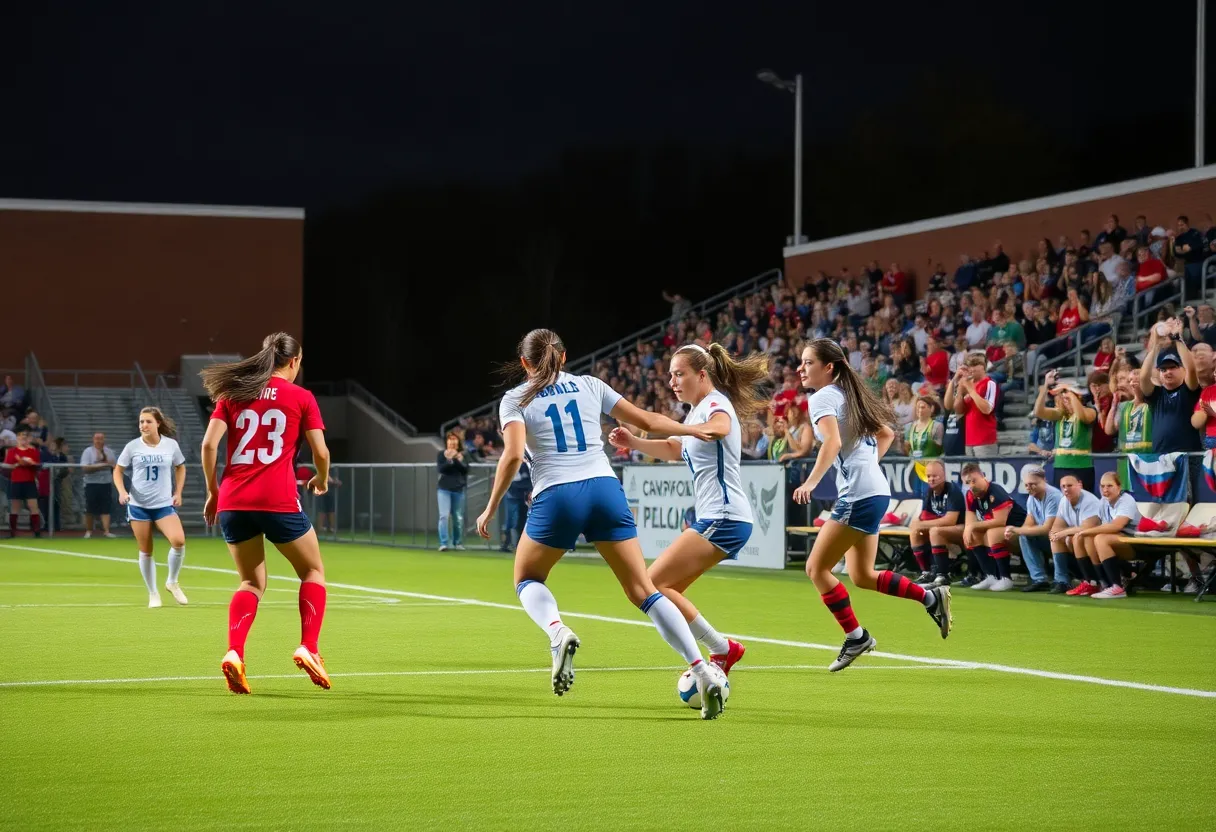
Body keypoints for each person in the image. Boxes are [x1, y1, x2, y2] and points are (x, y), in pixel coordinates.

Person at [474, 329, 727, 719]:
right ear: (563, 356)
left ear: (524, 362)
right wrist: (691, 428)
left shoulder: (515, 398)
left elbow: (510, 457)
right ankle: (703, 669)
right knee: (643, 588)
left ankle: (558, 631)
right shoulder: (590, 385)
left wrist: (489, 508)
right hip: (605, 489)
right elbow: (647, 420)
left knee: (527, 578)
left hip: (557, 493)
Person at [610, 342, 769, 678]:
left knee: (651, 584)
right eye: (670, 375)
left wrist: (693, 429)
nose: (673, 381)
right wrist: (634, 443)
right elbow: (675, 448)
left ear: (701, 374)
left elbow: (721, 427)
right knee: (666, 591)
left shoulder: (714, 403)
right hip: (719, 517)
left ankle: (722, 650)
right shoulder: (696, 412)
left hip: (725, 516)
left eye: (679, 374)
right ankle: (723, 651)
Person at [791, 339, 952, 673]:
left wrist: (810, 483)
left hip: (859, 495)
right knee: (862, 575)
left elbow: (833, 442)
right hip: (875, 491)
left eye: (807, 363)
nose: (800, 369)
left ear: (828, 367)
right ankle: (931, 597)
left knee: (816, 569)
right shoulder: (850, 394)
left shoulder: (822, 397)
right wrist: (868, 468)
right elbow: (886, 434)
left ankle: (856, 636)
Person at [200, 332, 334, 695]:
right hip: (276, 499)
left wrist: (214, 493)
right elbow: (320, 453)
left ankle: (235, 652)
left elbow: (209, 444)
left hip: (233, 501)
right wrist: (321, 480)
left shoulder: (233, 394)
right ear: (293, 362)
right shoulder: (301, 397)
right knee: (312, 570)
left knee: (251, 583)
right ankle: (309, 646)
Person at [114, 407, 188, 608]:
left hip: (163, 504)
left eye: (147, 421)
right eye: (141, 422)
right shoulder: (132, 447)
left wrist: (178, 492)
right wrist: (122, 491)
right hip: (139, 506)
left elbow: (180, 466)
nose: (143, 425)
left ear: (158, 424)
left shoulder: (170, 445)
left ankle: (172, 581)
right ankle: (153, 593)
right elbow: (118, 471)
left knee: (178, 541)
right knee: (146, 550)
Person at [1073, 472, 1142, 599]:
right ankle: (1101, 583)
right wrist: (1082, 532)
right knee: (1085, 538)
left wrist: (1085, 530)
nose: (1105, 490)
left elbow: (1117, 526)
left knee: (1100, 538)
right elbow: (1099, 524)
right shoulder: (1103, 502)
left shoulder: (1126, 500)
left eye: (1109, 486)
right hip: (1119, 539)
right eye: (1102, 486)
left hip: (1137, 542)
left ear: (1119, 487)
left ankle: (1117, 587)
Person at [960, 462, 1028, 591]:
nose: (972, 485)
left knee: (992, 533)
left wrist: (972, 526)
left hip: (1020, 529)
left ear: (983, 477)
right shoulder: (970, 495)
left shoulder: (995, 492)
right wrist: (969, 528)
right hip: (1004, 529)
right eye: (968, 483)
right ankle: (990, 576)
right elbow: (970, 517)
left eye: (974, 481)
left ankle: (1005, 578)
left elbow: (1000, 521)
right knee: (973, 535)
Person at [1139, 319, 1201, 455]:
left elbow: (1191, 369)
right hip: (1160, 457)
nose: (1168, 372)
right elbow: (1143, 377)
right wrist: (1155, 347)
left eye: (1173, 367)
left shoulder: (1189, 390)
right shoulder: (1156, 395)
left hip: (1188, 456)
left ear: (1181, 369)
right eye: (1163, 369)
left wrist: (1177, 339)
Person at [1004, 467, 1068, 594]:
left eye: (1033, 484)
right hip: (1051, 538)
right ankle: (1039, 579)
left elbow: (1047, 528)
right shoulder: (1031, 498)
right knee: (1023, 536)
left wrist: (1016, 529)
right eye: (1027, 485)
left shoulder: (1053, 496)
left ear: (1044, 480)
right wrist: (1016, 531)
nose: (1029, 487)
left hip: (1063, 537)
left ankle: (1061, 580)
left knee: (1047, 535)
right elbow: (1028, 523)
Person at [1034, 371, 1096, 491]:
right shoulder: (1060, 414)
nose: (1064, 399)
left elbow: (1083, 417)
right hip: (1061, 466)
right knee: (1063, 504)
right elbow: (1038, 411)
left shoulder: (1090, 410)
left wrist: (1070, 393)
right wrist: (1045, 386)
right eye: (1063, 396)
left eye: (1067, 396)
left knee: (1084, 503)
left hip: (1082, 467)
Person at [908, 459, 965, 587]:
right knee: (915, 532)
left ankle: (942, 575)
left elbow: (951, 520)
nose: (931, 479)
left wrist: (922, 525)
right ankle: (926, 572)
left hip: (961, 528)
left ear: (944, 476)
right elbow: (924, 516)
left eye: (935, 476)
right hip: (942, 528)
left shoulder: (952, 491)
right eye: (928, 476)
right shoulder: (930, 492)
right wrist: (917, 523)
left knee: (935, 531)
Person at [945, 354, 998, 457]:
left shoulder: (990, 383)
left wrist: (970, 389)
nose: (972, 368)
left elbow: (987, 409)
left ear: (984, 367)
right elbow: (955, 408)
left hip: (985, 440)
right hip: (969, 440)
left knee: (985, 472)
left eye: (976, 365)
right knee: (971, 472)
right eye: (970, 365)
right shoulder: (967, 384)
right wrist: (957, 383)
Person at [4, 428, 42, 538]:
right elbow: (7, 465)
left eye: (25, 437)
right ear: (17, 439)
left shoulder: (33, 451)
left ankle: (36, 531)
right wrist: (17, 464)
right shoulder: (12, 451)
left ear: (28, 439)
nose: (22, 439)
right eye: (20, 437)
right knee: (15, 506)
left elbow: (37, 465)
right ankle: (13, 532)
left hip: (29, 481)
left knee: (33, 505)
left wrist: (29, 463)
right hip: (16, 481)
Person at [79, 432, 117, 538]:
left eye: (101, 439)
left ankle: (106, 531)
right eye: (97, 438)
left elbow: (114, 466)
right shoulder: (88, 452)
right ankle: (89, 530)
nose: (99, 441)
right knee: (90, 508)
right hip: (91, 483)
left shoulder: (109, 452)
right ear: (93, 440)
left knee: (106, 507)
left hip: (105, 483)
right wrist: (99, 466)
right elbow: (84, 468)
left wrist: (108, 464)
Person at [436, 431, 469, 551]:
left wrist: (458, 460)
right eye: (450, 439)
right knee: (443, 516)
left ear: (458, 442)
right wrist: (450, 460)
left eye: (454, 439)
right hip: (443, 489)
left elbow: (465, 470)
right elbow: (441, 469)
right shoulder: (441, 454)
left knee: (457, 517)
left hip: (458, 489)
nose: (452, 442)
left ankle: (457, 542)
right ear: (447, 442)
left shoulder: (463, 455)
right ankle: (443, 543)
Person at [499, 461, 531, 552]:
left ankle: (519, 545)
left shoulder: (527, 465)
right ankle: (506, 544)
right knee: (511, 521)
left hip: (523, 496)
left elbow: (530, 480)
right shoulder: (512, 463)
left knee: (522, 521)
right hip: (512, 495)